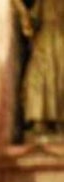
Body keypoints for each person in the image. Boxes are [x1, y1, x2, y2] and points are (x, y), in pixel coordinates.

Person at [12, 0, 64, 138]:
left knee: (59, 80)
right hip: (44, 41)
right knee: (37, 79)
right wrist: (25, 17)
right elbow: (33, 21)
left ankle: (58, 122)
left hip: (59, 42)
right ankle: (40, 119)